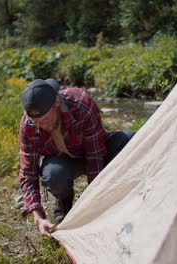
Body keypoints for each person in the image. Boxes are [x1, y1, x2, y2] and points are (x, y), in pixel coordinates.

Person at [19, 78, 135, 236]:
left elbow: (94, 157)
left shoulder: (81, 104)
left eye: (45, 120)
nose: (42, 126)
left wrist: (96, 206)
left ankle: (126, 195)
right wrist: (38, 216)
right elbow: (28, 173)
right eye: (36, 122)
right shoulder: (28, 125)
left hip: (93, 149)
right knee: (53, 175)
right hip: (62, 161)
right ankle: (64, 204)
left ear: (57, 103)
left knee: (129, 140)